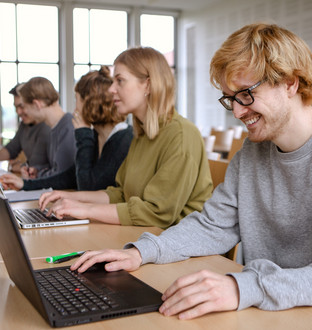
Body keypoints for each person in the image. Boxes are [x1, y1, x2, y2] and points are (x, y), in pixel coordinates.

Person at [69, 23, 312, 319]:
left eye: (246, 94)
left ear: (290, 83)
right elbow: (213, 226)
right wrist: (141, 252)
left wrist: (244, 287)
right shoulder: (251, 154)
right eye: (231, 99)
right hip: (268, 311)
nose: (238, 112)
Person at [39, 46, 213, 229]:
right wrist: (70, 197)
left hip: (180, 246)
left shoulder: (181, 135)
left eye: (120, 81)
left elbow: (157, 213)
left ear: (148, 85)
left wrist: (86, 209)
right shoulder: (142, 134)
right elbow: (121, 194)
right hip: (147, 237)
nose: (112, 89)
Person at [0, 67, 133, 191]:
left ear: (90, 103)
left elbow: (86, 187)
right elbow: (69, 177)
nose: (75, 109)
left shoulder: (122, 139)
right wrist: (25, 184)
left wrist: (84, 134)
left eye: (77, 100)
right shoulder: (97, 137)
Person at [0, 77, 76, 189]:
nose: (22, 112)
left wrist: (28, 182)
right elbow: (55, 171)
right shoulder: (56, 127)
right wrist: (37, 172)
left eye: (25, 107)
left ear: (37, 104)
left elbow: (62, 178)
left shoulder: (68, 128)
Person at [0, 83, 50, 173]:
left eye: (21, 106)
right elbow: (11, 149)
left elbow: (35, 165)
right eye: (16, 107)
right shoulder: (24, 125)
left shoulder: (47, 126)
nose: (18, 112)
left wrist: (20, 166)